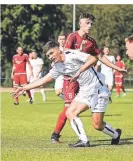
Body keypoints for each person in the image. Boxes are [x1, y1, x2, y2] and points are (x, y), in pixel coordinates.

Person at [11, 41, 122, 148]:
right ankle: (83, 140)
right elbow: (43, 80)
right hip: (85, 91)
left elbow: (93, 59)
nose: (50, 57)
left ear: (58, 49)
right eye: (48, 55)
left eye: (51, 53)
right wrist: (24, 88)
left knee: (97, 125)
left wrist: (79, 71)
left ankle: (116, 135)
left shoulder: (72, 55)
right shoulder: (58, 66)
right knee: (70, 112)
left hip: (98, 89)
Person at [50, 12, 127, 143]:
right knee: (69, 108)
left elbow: (100, 57)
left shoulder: (91, 41)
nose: (90, 25)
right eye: (87, 23)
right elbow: (67, 55)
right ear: (80, 23)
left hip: (87, 79)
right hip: (71, 78)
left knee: (96, 123)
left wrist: (117, 68)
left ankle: (113, 134)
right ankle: (57, 135)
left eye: (91, 23)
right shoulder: (72, 37)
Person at [53, 32, 67, 100]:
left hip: (68, 72)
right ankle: (71, 101)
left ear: (66, 40)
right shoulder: (56, 49)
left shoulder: (68, 49)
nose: (62, 41)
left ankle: (70, 101)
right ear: (58, 40)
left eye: (63, 39)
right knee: (58, 92)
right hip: (59, 73)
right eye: (60, 39)